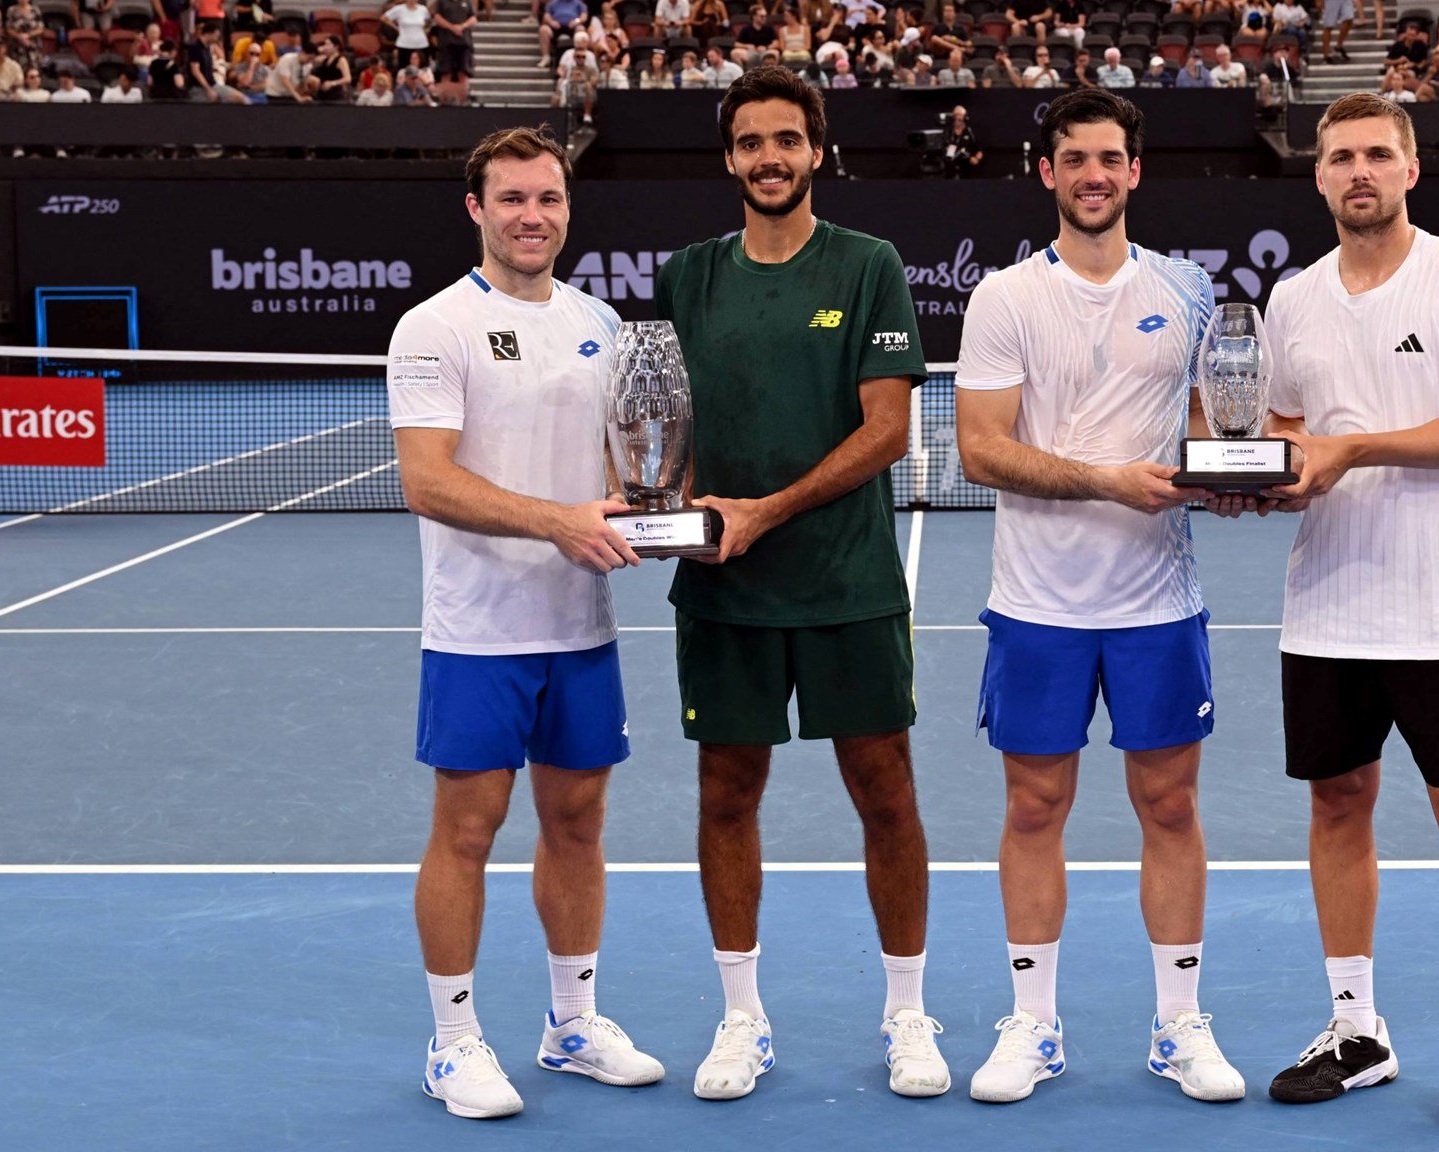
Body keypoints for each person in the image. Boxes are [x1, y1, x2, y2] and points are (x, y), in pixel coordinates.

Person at [651, 66, 946, 1103]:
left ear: (816, 151)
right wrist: (659, 503)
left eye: (786, 139)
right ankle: (740, 1021)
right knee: (725, 794)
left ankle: (907, 1014)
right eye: (749, 143)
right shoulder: (686, 275)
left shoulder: (867, 267)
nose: (768, 158)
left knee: (885, 795)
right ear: (727, 158)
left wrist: (762, 512)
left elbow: (886, 429)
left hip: (847, 583)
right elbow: (667, 433)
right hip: (722, 593)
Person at [952, 87, 1247, 1108]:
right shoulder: (1003, 299)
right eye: (1073, 157)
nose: (1092, 174)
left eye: (1110, 158)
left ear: (1133, 171)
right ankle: (1031, 1025)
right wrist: (1105, 479)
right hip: (1035, 603)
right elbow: (979, 451)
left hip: (1157, 602)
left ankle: (1178, 1026)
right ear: (1046, 172)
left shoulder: (1189, 290)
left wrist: (1228, 476)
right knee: (1034, 807)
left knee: (1168, 804)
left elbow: (1215, 421)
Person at [1252, 93, 1439, 1135]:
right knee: (1336, 807)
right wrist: (1267, 476)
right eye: (1339, 158)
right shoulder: (1292, 300)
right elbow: (1284, 428)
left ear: (1409, 170)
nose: (1358, 171)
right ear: (1318, 177)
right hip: (1325, 605)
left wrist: (1352, 447)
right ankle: (1356, 1029)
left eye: (1377, 153)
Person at [386, 126, 667, 1123]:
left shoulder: (602, 325)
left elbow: (615, 471)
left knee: (577, 823)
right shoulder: (434, 327)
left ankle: (571, 1024)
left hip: (579, 626)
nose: (530, 216)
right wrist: (556, 522)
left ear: (566, 208)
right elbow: (427, 480)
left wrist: (659, 511)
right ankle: (455, 1041)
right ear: (476, 208)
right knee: (466, 829)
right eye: (510, 199)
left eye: (546, 199)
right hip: (475, 631)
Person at [942, 102, 982, 175]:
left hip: (967, 169)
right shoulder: (948, 132)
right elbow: (947, 152)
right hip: (950, 169)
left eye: (959, 115)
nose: (957, 117)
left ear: (965, 117)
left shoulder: (970, 132)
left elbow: (978, 150)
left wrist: (976, 158)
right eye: (955, 115)